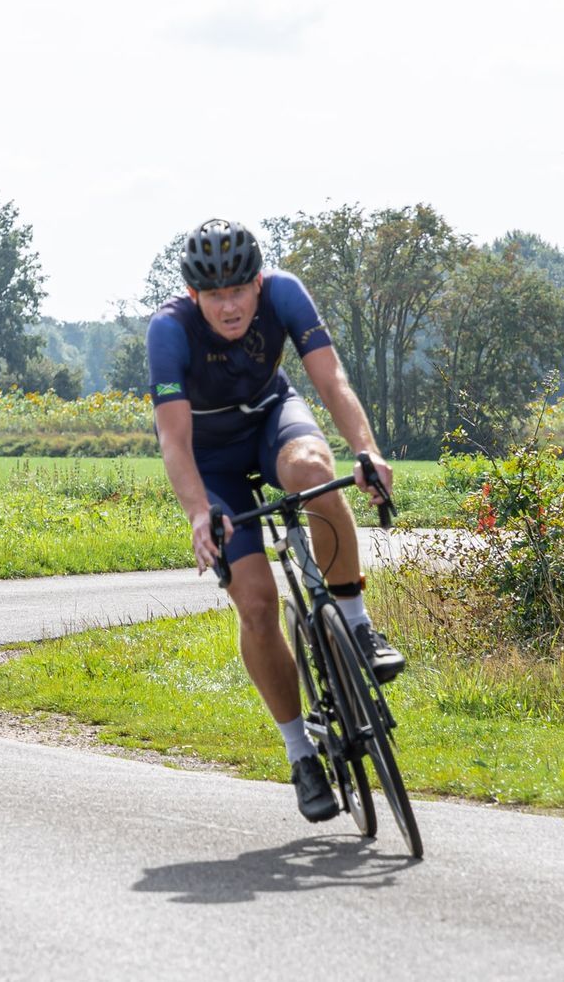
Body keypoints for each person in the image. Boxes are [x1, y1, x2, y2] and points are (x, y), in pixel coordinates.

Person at [148, 218, 400, 823]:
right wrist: (198, 514)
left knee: (315, 469)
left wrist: (365, 450)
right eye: (214, 296)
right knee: (257, 604)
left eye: (238, 290)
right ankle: (300, 755)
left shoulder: (285, 293)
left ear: (259, 282)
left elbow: (331, 380)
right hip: (212, 460)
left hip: (271, 420)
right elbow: (175, 442)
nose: (229, 305)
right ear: (193, 297)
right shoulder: (169, 331)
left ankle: (358, 623)